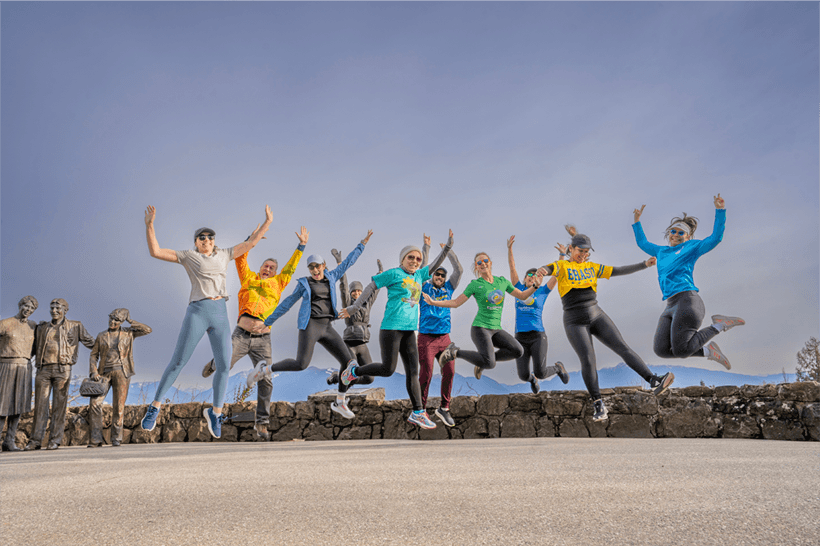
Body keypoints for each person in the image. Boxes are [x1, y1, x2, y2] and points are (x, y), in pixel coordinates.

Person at [140, 205, 272, 439]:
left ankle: (216, 413)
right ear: (196, 242)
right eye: (202, 238)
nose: (207, 240)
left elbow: (250, 243)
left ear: (214, 241)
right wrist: (150, 225)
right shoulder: (189, 256)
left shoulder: (225, 254)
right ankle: (155, 407)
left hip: (220, 313)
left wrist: (267, 222)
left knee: (223, 365)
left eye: (210, 237)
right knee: (178, 361)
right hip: (198, 311)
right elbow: (156, 252)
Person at [536, 233, 674, 423]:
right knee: (588, 360)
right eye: (580, 251)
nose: (583, 255)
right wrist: (541, 271)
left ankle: (652, 380)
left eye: (586, 252)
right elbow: (548, 268)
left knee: (622, 347)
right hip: (574, 321)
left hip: (596, 315)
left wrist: (644, 264)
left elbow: (617, 270)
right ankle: (598, 403)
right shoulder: (563, 266)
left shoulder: (592, 267)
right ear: (571, 249)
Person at [248, 231, 373, 420]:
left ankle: (340, 401)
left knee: (349, 364)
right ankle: (264, 370)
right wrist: (268, 322)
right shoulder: (304, 283)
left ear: (324, 265)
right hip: (310, 326)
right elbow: (287, 303)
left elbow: (348, 262)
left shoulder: (332, 276)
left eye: (317, 266)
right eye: (311, 267)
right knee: (301, 364)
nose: (315, 270)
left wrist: (362, 244)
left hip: (327, 327)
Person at [201, 226, 308, 440]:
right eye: (265, 266)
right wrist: (251, 239)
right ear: (260, 268)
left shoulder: (278, 283)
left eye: (272, 268)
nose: (268, 269)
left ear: (275, 272)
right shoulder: (248, 278)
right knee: (224, 365)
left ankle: (262, 424)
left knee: (265, 379)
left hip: (263, 340)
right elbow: (241, 258)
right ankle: (214, 364)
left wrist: (301, 246)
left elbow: (291, 268)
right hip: (241, 335)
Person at [340, 231, 455, 430]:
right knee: (388, 369)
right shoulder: (394, 273)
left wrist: (447, 247)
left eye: (418, 258)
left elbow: (435, 264)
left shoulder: (419, 275)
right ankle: (354, 371)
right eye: (411, 257)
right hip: (391, 329)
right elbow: (371, 286)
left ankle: (418, 412)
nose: (415, 261)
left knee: (413, 372)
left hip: (410, 330)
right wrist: (355, 307)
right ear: (403, 259)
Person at [632, 194, 744, 368]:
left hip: (687, 300)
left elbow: (715, 238)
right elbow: (642, 242)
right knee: (661, 350)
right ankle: (709, 352)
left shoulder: (691, 247)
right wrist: (637, 221)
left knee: (682, 350)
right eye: (673, 231)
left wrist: (720, 211)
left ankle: (719, 325)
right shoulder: (661, 251)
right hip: (670, 304)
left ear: (688, 236)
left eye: (680, 232)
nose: (675, 235)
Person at [420, 250, 538, 386]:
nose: (483, 264)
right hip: (480, 328)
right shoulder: (475, 285)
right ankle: (455, 352)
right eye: (479, 262)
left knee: (518, 351)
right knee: (490, 363)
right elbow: (456, 302)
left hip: (496, 329)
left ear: (490, 263)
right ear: (476, 267)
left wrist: (535, 286)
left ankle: (481, 361)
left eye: (485, 261)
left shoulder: (502, 281)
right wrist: (433, 302)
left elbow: (522, 296)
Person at [26, 298, 95, 450]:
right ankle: (35, 440)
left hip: (63, 369)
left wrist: (109, 352)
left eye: (58, 308)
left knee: (59, 406)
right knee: (40, 406)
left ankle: (54, 440)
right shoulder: (41, 327)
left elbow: (93, 344)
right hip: (43, 369)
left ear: (65, 310)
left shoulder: (75, 326)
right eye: (52, 308)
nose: (54, 311)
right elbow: (31, 349)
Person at [506, 235, 569, 394]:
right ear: (524, 278)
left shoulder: (542, 291)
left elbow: (557, 275)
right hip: (520, 337)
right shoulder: (518, 288)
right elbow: (512, 268)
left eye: (536, 275)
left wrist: (562, 255)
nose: (532, 277)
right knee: (523, 375)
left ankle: (558, 368)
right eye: (529, 275)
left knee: (541, 372)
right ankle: (532, 380)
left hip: (537, 336)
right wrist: (510, 249)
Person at [417, 236, 463, 427]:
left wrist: (449, 250)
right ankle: (420, 411)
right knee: (426, 374)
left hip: (444, 338)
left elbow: (459, 270)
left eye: (443, 276)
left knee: (450, 371)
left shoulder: (449, 288)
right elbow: (424, 269)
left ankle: (444, 408)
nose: (440, 278)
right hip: (426, 338)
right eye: (437, 275)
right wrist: (426, 247)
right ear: (433, 276)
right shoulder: (424, 287)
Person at [87, 309, 152, 447]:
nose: (112, 322)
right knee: (95, 404)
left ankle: (116, 438)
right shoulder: (101, 335)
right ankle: (96, 439)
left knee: (119, 406)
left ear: (122, 321)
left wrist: (130, 320)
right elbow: (93, 355)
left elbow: (147, 330)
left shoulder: (129, 333)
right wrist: (93, 371)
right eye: (111, 318)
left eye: (116, 320)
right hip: (103, 374)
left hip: (122, 372)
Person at [324, 248, 382, 390]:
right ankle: (342, 396)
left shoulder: (367, 303)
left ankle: (337, 377)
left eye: (359, 291)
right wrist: (340, 263)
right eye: (354, 291)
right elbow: (344, 286)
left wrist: (380, 274)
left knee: (369, 378)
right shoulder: (348, 303)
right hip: (349, 343)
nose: (356, 293)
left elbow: (374, 291)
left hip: (363, 344)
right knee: (351, 373)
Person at [0, 296, 38, 451]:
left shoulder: (33, 326)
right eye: (26, 306)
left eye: (32, 308)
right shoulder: (5, 323)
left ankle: (9, 441)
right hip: (6, 365)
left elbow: (35, 348)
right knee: (2, 404)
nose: (28, 310)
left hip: (24, 367)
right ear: (20, 305)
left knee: (19, 404)